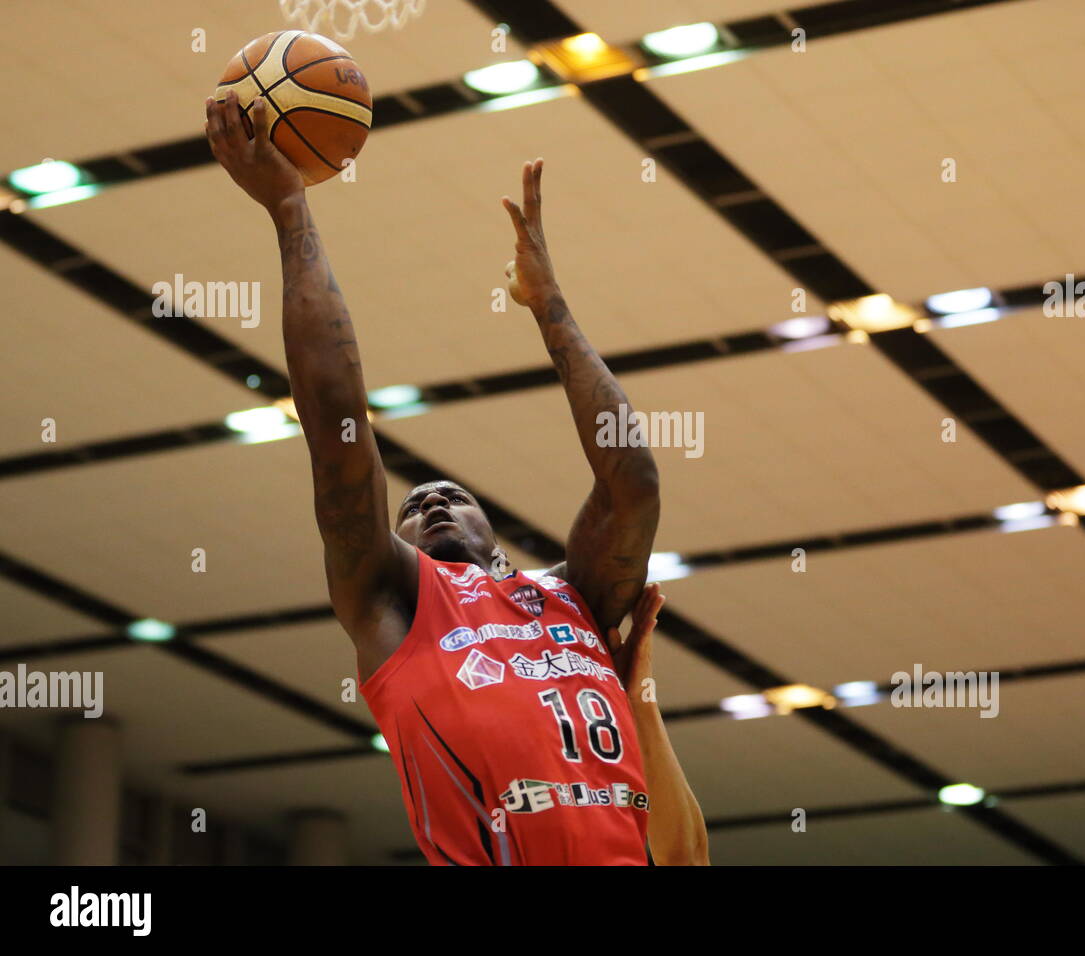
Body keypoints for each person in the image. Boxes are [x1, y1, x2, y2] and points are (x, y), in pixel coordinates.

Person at [204, 94, 708, 865]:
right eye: (412, 506)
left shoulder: (573, 597)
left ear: (495, 533)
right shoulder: (393, 604)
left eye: (455, 496)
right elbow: (336, 422)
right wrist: (290, 211)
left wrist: (550, 307)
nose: (433, 498)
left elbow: (632, 480)